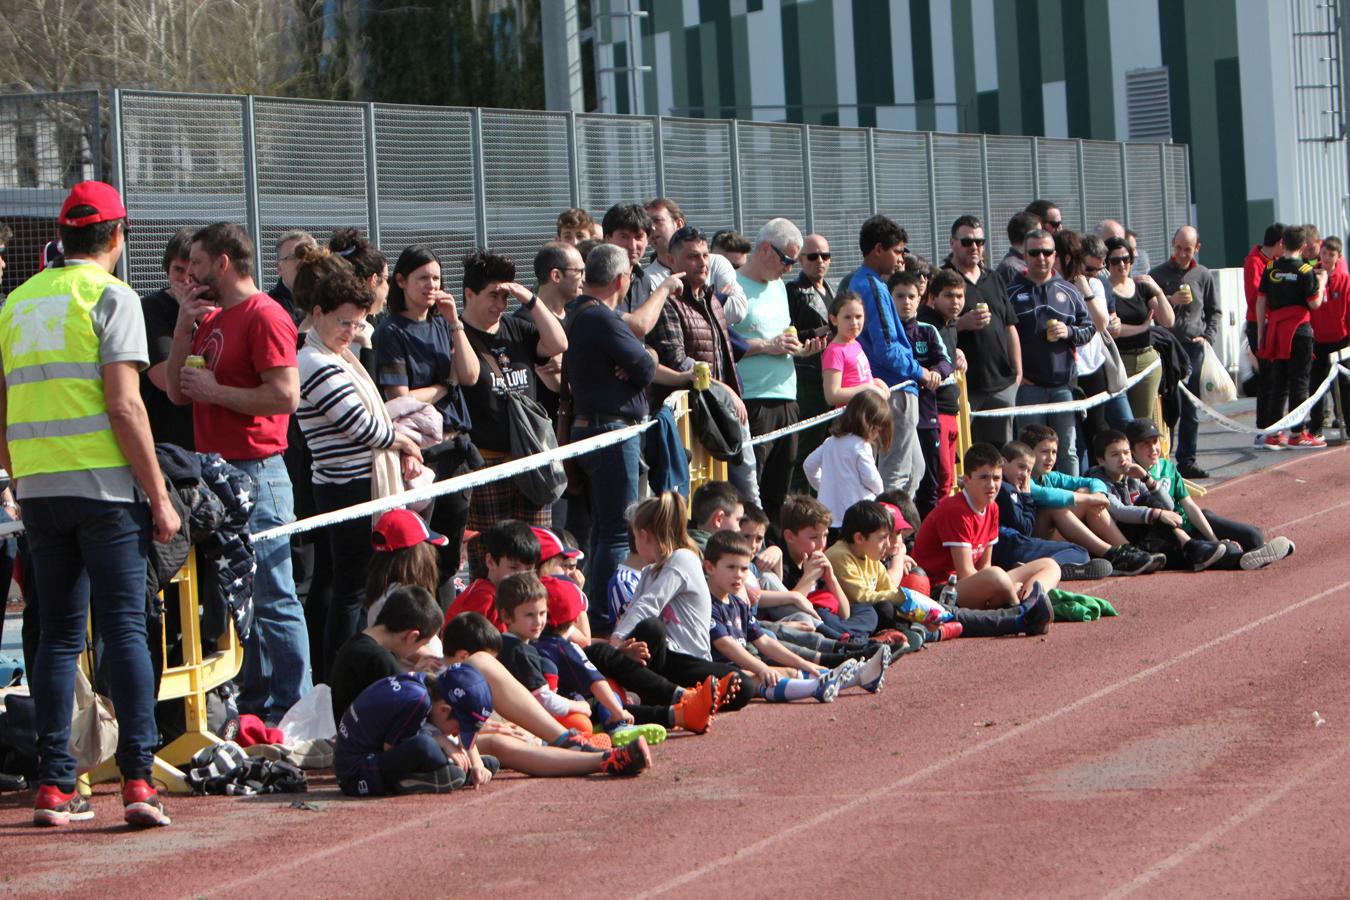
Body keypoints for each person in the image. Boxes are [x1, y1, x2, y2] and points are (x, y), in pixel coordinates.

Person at [3, 181, 181, 828]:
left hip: (41, 492)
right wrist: (159, 495)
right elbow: (125, 404)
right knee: (125, 628)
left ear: (63, 233)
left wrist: (18, 475)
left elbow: (2, 406)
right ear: (117, 235)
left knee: (56, 637)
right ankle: (138, 780)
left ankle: (55, 784)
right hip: (106, 491)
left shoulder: (16, 304)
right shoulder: (113, 297)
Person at [165, 222, 309, 724]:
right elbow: (177, 391)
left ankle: (293, 708)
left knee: (273, 593)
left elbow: (285, 396)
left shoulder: (264, 315)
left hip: (257, 471)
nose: (191, 275)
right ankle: (254, 706)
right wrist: (184, 324)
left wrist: (218, 394)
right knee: (237, 598)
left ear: (223, 263)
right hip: (216, 476)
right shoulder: (211, 317)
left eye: (199, 265)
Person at [296, 267, 424, 672]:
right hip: (345, 486)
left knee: (346, 583)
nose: (351, 331)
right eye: (343, 321)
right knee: (348, 586)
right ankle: (341, 667)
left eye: (357, 322)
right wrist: (402, 439)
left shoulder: (337, 355)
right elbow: (360, 425)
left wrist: (393, 435)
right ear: (318, 313)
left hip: (356, 481)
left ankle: (342, 663)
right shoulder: (313, 360)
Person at [563, 244, 657, 632]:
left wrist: (640, 355)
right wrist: (642, 355)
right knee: (618, 528)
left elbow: (638, 361)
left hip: (597, 427)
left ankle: (599, 610)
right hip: (610, 429)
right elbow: (644, 367)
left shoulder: (586, 315)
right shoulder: (599, 317)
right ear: (621, 279)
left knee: (605, 528)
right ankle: (605, 615)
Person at [373, 244, 479, 585]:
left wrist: (456, 325)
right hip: (423, 453)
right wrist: (443, 387)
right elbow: (400, 397)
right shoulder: (390, 331)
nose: (431, 286)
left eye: (436, 278)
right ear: (401, 281)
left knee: (450, 552)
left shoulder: (442, 324)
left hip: (457, 447)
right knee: (421, 549)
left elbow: (470, 375)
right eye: (422, 278)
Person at [458, 250, 568, 565]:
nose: (500, 305)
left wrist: (530, 301)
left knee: (538, 553)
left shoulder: (515, 328)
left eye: (505, 297)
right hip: (486, 464)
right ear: (469, 294)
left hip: (529, 459)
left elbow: (559, 343)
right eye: (493, 296)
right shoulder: (458, 333)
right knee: (490, 556)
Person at [608, 492, 752, 711]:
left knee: (743, 685)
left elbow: (649, 604)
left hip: (689, 659)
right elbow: (636, 612)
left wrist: (616, 642)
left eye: (635, 536)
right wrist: (625, 647)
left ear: (644, 535)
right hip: (662, 659)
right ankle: (668, 697)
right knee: (650, 628)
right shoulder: (648, 572)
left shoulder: (683, 558)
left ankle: (669, 696)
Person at [646, 226, 758, 503]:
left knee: (746, 494)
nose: (703, 263)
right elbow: (677, 361)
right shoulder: (668, 303)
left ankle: (756, 544)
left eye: (705, 255)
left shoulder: (712, 299)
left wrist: (730, 392)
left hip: (725, 413)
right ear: (672, 262)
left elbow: (726, 355)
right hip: (692, 418)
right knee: (699, 503)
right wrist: (725, 390)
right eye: (693, 256)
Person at [828, 499, 1042, 639]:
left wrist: (912, 601)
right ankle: (1018, 619)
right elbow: (862, 596)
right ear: (859, 537)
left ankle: (1017, 615)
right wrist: (908, 600)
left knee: (948, 613)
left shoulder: (870, 555)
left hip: (888, 613)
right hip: (862, 619)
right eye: (883, 538)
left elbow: (888, 587)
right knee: (940, 613)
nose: (888, 544)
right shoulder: (841, 556)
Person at [703, 531, 869, 702]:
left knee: (793, 671)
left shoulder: (738, 603)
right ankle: (816, 688)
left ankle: (858, 678)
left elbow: (765, 641)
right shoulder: (706, 603)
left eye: (744, 568)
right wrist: (761, 668)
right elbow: (725, 644)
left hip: (741, 667)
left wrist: (805, 664)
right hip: (716, 672)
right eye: (731, 567)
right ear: (710, 567)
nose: (739, 575)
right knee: (762, 677)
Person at [732, 217, 822, 525]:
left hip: (787, 395)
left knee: (779, 489)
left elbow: (783, 337)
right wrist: (768, 345)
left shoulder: (780, 289)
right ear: (766, 250)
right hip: (753, 399)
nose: (789, 269)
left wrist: (799, 349)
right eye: (787, 260)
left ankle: (776, 554)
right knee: (751, 488)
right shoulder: (732, 286)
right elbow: (724, 343)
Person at [909, 443, 1059, 617]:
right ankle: (1020, 606)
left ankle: (1029, 601)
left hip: (972, 583)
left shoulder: (992, 508)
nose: (991, 485)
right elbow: (966, 573)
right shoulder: (956, 510)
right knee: (996, 575)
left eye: (996, 478)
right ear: (966, 480)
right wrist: (1005, 585)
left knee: (1050, 565)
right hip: (940, 591)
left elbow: (984, 565)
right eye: (984, 478)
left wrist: (1001, 585)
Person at [1125, 418, 1295, 571]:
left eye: (1155, 441)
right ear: (1132, 450)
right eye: (1145, 444)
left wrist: (1214, 538)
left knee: (1254, 536)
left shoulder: (1167, 467)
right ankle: (1241, 559)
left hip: (1189, 524)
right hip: (1168, 536)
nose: (1153, 448)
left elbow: (1189, 505)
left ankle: (1257, 549)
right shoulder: (1131, 478)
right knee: (1227, 550)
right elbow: (1158, 509)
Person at [845, 215, 927, 494]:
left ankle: (901, 533)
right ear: (878, 249)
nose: (901, 258)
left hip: (892, 386)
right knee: (895, 474)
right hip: (895, 387)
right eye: (897, 251)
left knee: (916, 470)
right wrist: (920, 371)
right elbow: (887, 348)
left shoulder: (859, 282)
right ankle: (889, 535)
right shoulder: (872, 287)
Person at [1017, 423, 1160, 575]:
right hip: (1028, 541)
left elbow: (1092, 482)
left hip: (1048, 536)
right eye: (1045, 452)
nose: (1051, 458)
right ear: (1028, 454)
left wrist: (1099, 495)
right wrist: (1088, 499)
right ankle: (1111, 553)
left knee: (1088, 494)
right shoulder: (1022, 478)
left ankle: (1126, 551)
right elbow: (1045, 495)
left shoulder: (1051, 476)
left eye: (1054, 452)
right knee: (1057, 507)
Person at [1006, 228, 1094, 475]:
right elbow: (1002, 338)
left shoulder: (1069, 290)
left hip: (1063, 386)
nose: (1041, 258)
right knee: (1028, 453)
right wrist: (1017, 374)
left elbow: (1088, 328)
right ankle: (1033, 504)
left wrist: (1069, 332)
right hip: (1029, 387)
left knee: (1066, 450)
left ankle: (1071, 502)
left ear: (1055, 254)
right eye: (1034, 253)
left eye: (1046, 252)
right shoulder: (1011, 292)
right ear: (1024, 255)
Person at [1084, 429, 1228, 572]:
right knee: (1150, 503)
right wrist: (1157, 513)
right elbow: (1120, 512)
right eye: (1115, 455)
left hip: (1141, 537)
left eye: (1126, 453)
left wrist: (1147, 479)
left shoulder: (1132, 475)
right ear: (1101, 460)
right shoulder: (1097, 481)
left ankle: (1223, 556)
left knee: (1180, 557)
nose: (1123, 459)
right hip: (1118, 540)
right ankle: (1189, 546)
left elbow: (1168, 505)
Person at [1148, 226, 1221, 479]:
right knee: (1165, 405)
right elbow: (1146, 311)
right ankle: (1160, 461)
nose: (1181, 253)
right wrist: (1169, 300)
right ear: (1172, 244)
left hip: (1192, 348)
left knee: (1191, 406)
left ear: (1196, 249)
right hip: (1164, 348)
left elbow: (1214, 311)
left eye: (1187, 249)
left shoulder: (1203, 275)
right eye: (1178, 247)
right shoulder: (1156, 274)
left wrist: (1208, 337)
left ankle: (1187, 460)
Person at [945, 215, 1022, 448]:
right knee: (963, 451)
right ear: (952, 243)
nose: (974, 247)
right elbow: (932, 328)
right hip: (965, 384)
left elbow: (1010, 326)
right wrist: (961, 323)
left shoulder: (994, 278)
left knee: (1001, 453)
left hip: (1002, 383)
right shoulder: (944, 279)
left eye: (979, 241)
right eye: (967, 242)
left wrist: (1017, 374)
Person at [329, 584, 443, 724]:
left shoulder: (354, 644)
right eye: (422, 645)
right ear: (412, 636)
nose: (420, 650)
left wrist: (414, 672)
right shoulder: (381, 661)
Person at [1255, 225, 1327, 449]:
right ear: (1304, 246)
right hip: (1299, 329)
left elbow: (1261, 301)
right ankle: (1297, 432)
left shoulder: (1271, 267)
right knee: (1300, 382)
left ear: (1283, 244)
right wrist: (1323, 282)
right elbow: (1314, 303)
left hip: (1276, 329)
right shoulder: (1305, 270)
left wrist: (1261, 333)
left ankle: (1275, 432)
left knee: (1279, 381)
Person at [892, 270, 955, 518]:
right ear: (889, 298)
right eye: (900, 296)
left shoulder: (928, 331)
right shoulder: (885, 333)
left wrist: (936, 372)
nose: (906, 301)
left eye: (911, 296)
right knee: (898, 477)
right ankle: (900, 535)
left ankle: (923, 534)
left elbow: (945, 361)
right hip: (895, 416)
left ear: (920, 299)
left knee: (930, 481)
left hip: (926, 417)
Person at [994, 442, 1104, 579]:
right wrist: (1026, 496)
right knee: (1079, 552)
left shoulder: (1012, 487)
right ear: (1003, 464)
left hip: (1009, 544)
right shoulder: (1007, 489)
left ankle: (1036, 568)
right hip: (1010, 545)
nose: (1025, 475)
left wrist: (1100, 493)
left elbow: (1090, 482)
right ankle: (1037, 568)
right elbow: (1025, 529)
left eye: (1029, 470)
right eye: (1021, 467)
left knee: (1079, 551)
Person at [139, 227, 197, 449]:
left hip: (215, 443)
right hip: (171, 445)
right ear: (167, 271)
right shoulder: (152, 309)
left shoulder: (217, 309)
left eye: (191, 272)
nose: (184, 280)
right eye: (178, 271)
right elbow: (166, 380)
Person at [785, 233, 836, 488]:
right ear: (801, 260)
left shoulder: (830, 291)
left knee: (828, 448)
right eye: (812, 256)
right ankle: (800, 502)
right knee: (807, 448)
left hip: (831, 378)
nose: (820, 261)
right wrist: (814, 334)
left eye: (824, 256)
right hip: (806, 378)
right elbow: (786, 332)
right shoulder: (793, 291)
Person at [1105, 236, 1173, 420]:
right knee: (1124, 420)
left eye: (1126, 259)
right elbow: (1112, 330)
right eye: (1115, 260)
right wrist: (1143, 327)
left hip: (1146, 358)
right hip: (1119, 361)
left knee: (1143, 420)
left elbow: (1167, 320)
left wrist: (1157, 289)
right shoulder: (1104, 289)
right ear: (1107, 263)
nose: (1122, 265)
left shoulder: (1141, 287)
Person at [803, 388, 890, 529]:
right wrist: (880, 495)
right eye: (876, 429)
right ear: (869, 425)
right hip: (857, 516)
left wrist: (824, 487)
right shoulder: (861, 446)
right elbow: (871, 479)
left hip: (829, 516)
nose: (876, 434)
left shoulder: (831, 441)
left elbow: (809, 465)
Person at [918, 269, 966, 504]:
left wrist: (958, 353)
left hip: (950, 410)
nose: (955, 302)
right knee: (938, 481)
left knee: (948, 480)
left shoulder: (949, 325)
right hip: (933, 411)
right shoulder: (925, 324)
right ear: (932, 297)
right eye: (948, 296)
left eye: (959, 296)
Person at [445, 519, 539, 630]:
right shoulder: (483, 598)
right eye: (514, 568)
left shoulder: (505, 594)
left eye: (529, 569)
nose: (522, 576)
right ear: (490, 562)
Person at [1307, 236, 1350, 439]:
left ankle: (1348, 425)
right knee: (1316, 385)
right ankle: (1315, 427)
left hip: (1341, 339)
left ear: (1338, 257)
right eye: (1323, 253)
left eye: (1331, 255)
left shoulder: (1344, 280)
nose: (1326, 257)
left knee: (1345, 385)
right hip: (1318, 340)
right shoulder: (1311, 276)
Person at [820, 290, 889, 408]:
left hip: (868, 412)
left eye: (858, 316)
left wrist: (874, 382)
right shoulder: (834, 351)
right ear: (834, 319)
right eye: (847, 317)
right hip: (851, 418)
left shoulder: (855, 344)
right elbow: (831, 395)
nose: (854, 322)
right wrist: (868, 388)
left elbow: (861, 378)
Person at [1244, 223, 1284, 363]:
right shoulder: (1254, 262)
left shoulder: (1275, 262)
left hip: (1272, 321)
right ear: (1280, 243)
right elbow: (1254, 296)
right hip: (1258, 322)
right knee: (1268, 371)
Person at [269, 228, 317, 327]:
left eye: (307, 256)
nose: (302, 262)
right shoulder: (271, 308)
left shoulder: (330, 299)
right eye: (293, 257)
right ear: (279, 268)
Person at [997, 211, 1041, 284]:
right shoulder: (1012, 268)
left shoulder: (1025, 263)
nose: (1043, 236)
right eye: (1039, 233)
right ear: (1028, 236)